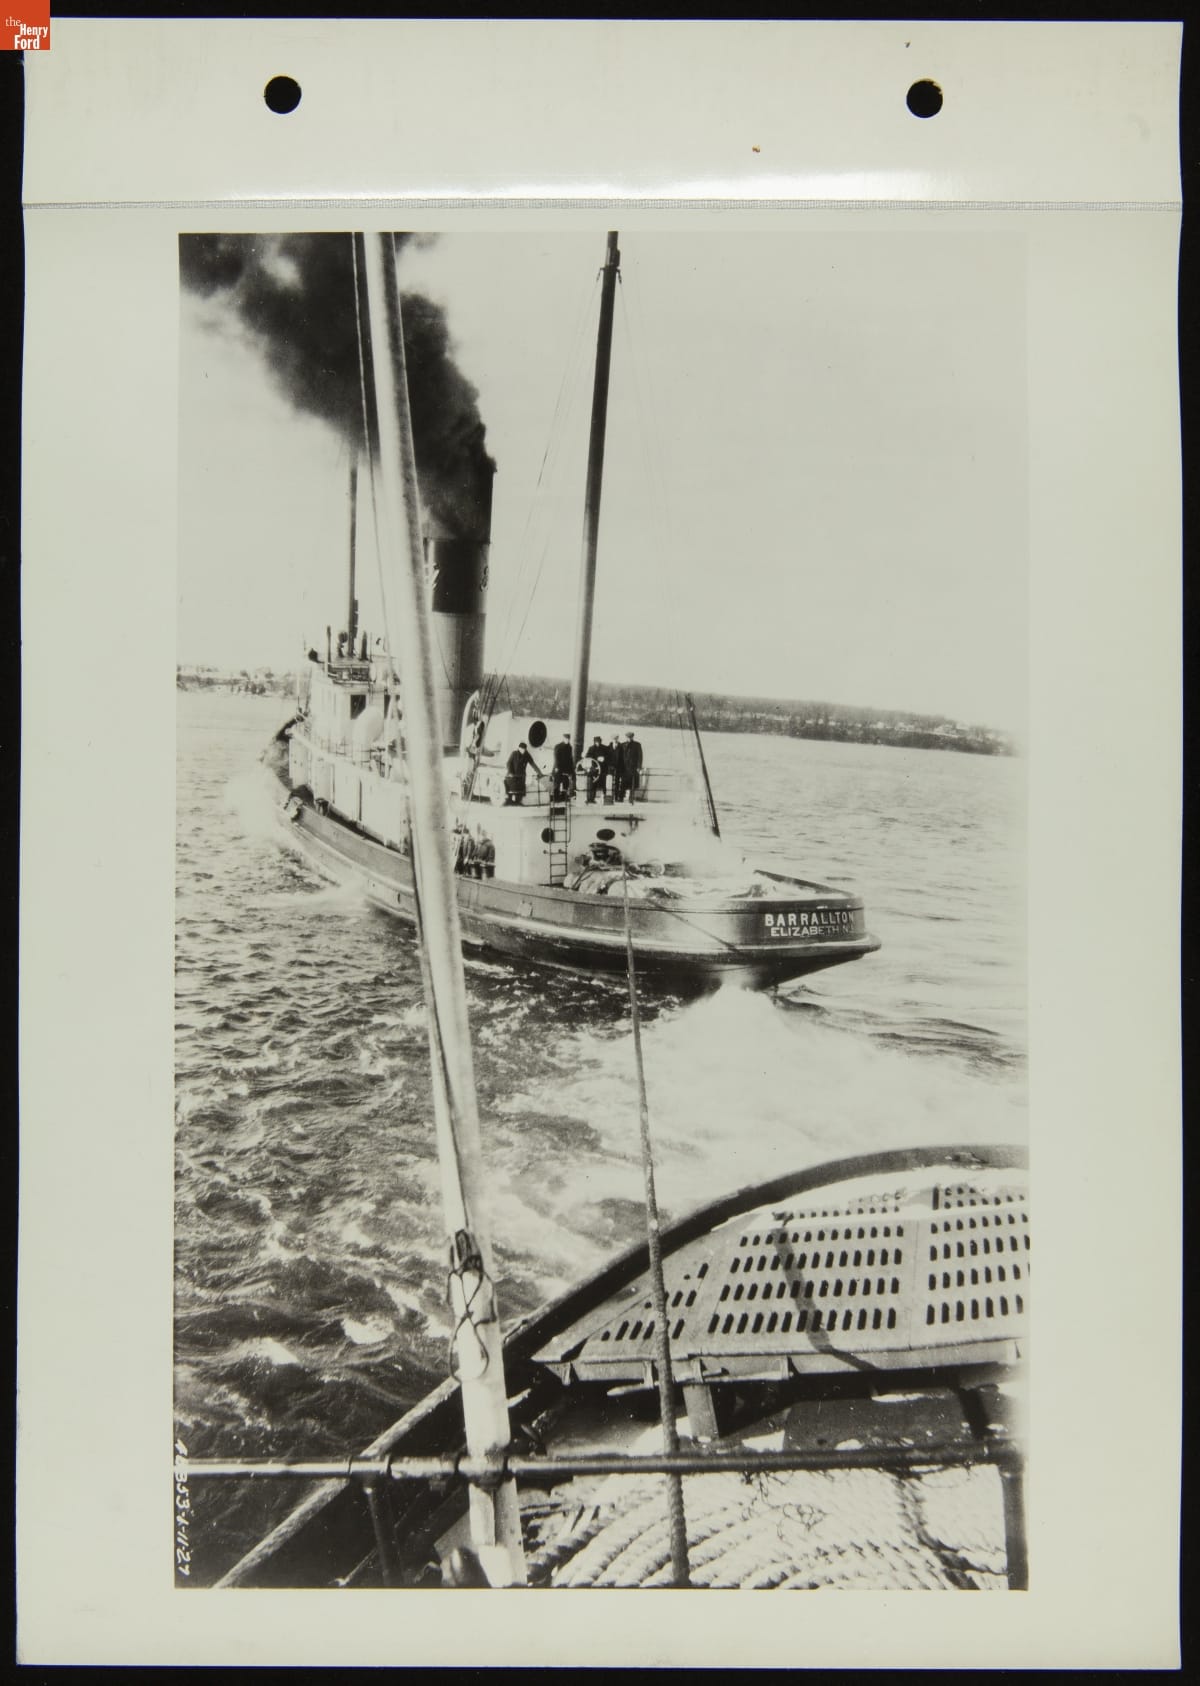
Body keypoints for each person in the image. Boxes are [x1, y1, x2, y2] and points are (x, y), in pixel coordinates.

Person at [619, 731, 644, 803]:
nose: (629, 739)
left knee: (632, 784)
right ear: (626, 737)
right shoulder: (622, 745)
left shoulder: (637, 745)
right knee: (623, 783)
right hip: (624, 768)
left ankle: (631, 798)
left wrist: (639, 767)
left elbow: (640, 757)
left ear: (632, 737)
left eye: (630, 737)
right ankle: (621, 797)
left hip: (633, 768)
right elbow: (619, 757)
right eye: (628, 737)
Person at [551, 733, 576, 800]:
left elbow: (570, 759)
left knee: (565, 783)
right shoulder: (558, 746)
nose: (567, 740)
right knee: (557, 783)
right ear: (563, 739)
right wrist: (557, 767)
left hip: (566, 768)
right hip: (558, 768)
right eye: (566, 739)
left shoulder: (569, 747)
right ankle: (556, 798)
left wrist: (571, 769)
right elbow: (556, 758)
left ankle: (563, 797)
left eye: (568, 739)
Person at [585, 737, 607, 804]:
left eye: (599, 741)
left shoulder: (605, 748)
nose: (597, 743)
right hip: (594, 769)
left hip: (603, 769)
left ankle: (605, 798)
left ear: (600, 741)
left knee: (604, 784)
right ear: (594, 742)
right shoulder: (591, 748)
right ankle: (591, 799)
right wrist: (596, 758)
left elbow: (608, 756)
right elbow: (588, 756)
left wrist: (604, 758)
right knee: (593, 784)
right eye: (596, 742)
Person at [609, 734, 625, 800]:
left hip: (619, 767)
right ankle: (609, 796)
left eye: (616, 739)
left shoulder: (621, 746)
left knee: (617, 782)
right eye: (614, 739)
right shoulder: (609, 746)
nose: (615, 740)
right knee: (609, 781)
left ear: (617, 739)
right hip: (611, 767)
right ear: (612, 739)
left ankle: (616, 796)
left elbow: (623, 757)